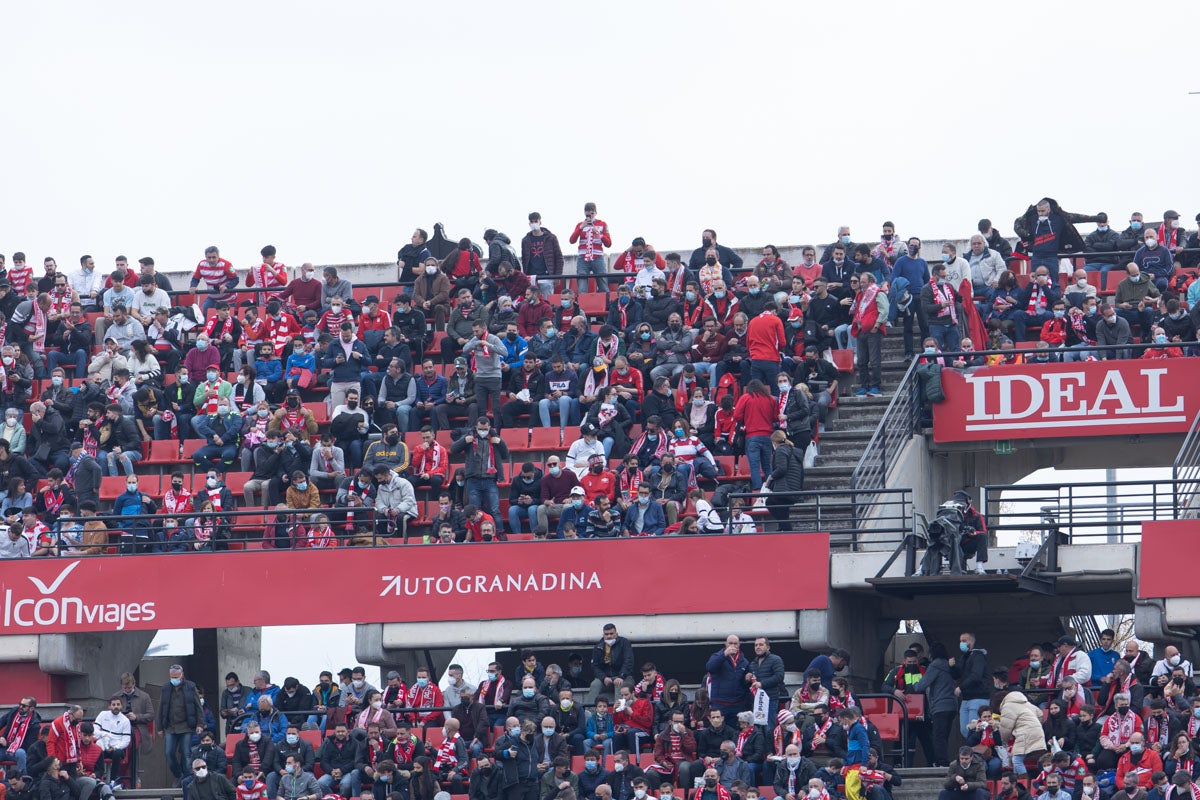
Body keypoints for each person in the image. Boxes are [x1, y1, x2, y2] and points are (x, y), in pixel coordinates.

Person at [159, 665, 206, 784]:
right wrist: (160, 727)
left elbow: (198, 707)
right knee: (169, 753)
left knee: (186, 753)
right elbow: (161, 707)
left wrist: (200, 724)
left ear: (182, 675)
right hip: (170, 726)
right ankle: (178, 774)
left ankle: (188, 777)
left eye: (176, 677)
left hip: (186, 726)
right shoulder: (165, 688)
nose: (174, 679)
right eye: (172, 677)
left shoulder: (190, 686)